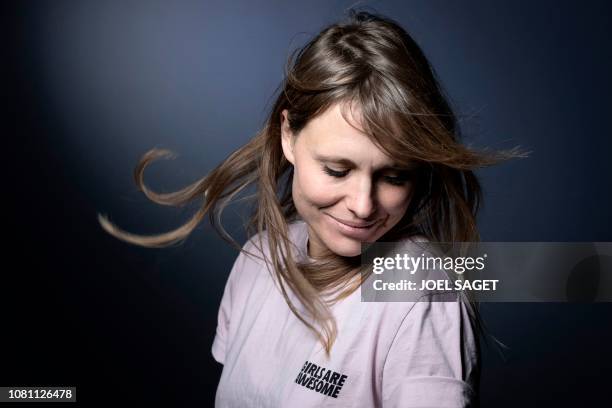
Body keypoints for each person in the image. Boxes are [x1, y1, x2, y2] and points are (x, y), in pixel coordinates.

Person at [98, 8, 520, 407]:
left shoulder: (421, 288)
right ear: (288, 137)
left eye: (394, 177)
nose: (362, 205)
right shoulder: (258, 257)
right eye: (337, 170)